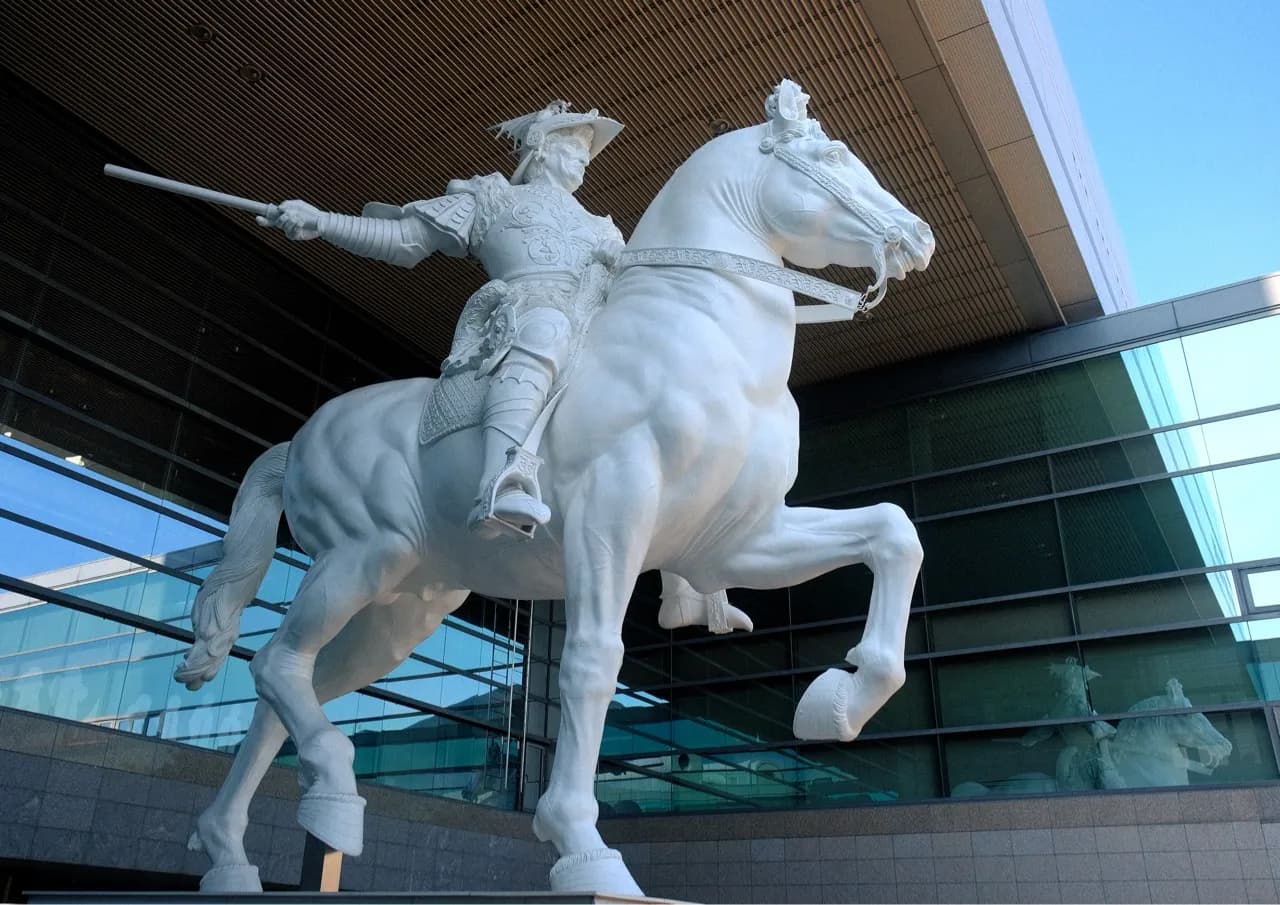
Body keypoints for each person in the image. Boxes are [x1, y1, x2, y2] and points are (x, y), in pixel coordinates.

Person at [259, 100, 624, 538]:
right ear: (541, 147)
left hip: (591, 319)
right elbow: (403, 238)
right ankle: (503, 479)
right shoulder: (491, 197)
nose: (585, 156)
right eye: (574, 144)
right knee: (547, 327)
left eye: (588, 149)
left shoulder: (604, 228)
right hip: (525, 309)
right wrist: (322, 222)